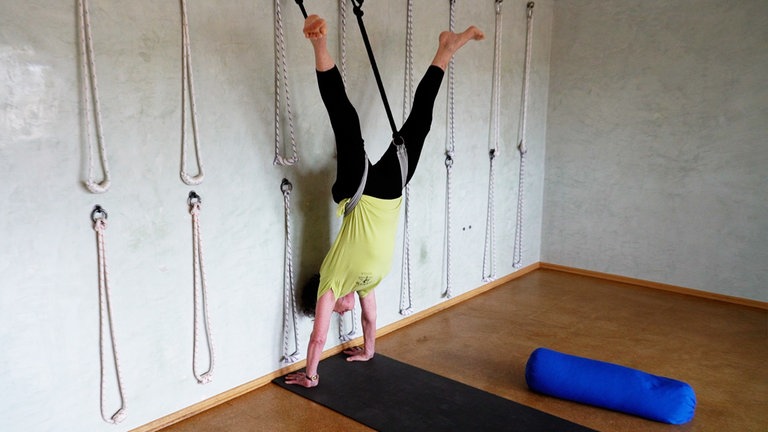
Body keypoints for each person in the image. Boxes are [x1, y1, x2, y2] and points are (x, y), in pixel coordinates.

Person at [286, 15, 483, 388]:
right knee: (420, 122)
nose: (338, 315)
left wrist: (311, 374)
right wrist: (369, 350)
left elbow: (317, 337)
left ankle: (318, 43)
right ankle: (445, 49)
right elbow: (370, 319)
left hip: (356, 190)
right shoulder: (366, 283)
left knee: (346, 121)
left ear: (322, 301)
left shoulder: (331, 283)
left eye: (330, 312)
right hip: (390, 191)